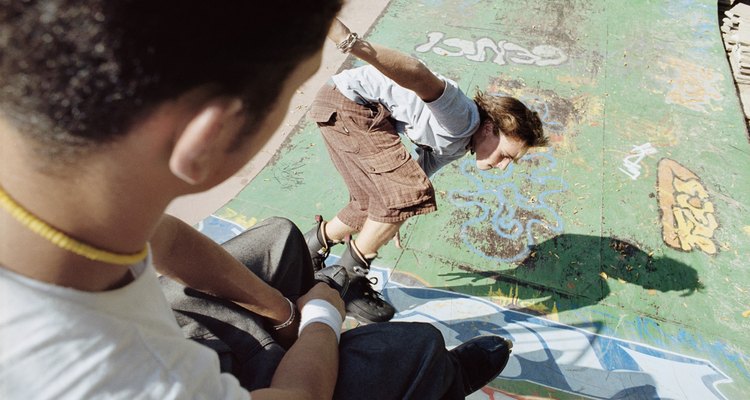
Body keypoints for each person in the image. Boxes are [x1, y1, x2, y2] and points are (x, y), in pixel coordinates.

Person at [0, 1, 514, 399]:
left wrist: (284, 313)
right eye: (290, 93)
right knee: (412, 352)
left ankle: (324, 289)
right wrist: (322, 316)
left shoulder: (75, 203)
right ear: (210, 138)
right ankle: (437, 376)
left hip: (170, 325)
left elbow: (169, 238)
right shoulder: (108, 378)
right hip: (218, 374)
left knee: (279, 239)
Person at [305, 18, 550, 323]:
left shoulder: (456, 147)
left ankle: (309, 249)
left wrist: (392, 220)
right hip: (351, 105)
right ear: (489, 128)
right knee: (403, 195)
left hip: (339, 106)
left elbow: (412, 184)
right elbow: (419, 75)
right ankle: (348, 279)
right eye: (505, 155)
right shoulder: (463, 117)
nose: (502, 166)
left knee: (370, 205)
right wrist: (352, 43)